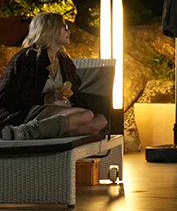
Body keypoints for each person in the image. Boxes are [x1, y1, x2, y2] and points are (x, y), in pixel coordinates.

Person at [0, 12, 108, 140]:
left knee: (100, 120)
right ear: (50, 30)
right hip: (31, 111)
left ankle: (45, 132)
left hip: (61, 110)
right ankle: (27, 132)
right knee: (86, 115)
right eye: (64, 27)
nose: (69, 31)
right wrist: (44, 98)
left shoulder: (64, 60)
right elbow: (4, 97)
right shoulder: (26, 58)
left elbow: (76, 94)